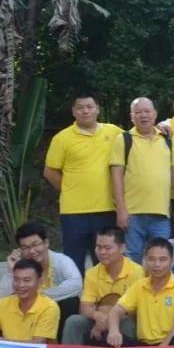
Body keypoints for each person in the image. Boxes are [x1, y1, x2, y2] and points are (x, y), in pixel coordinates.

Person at [43, 91, 122, 274]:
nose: (85, 111)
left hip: (106, 209)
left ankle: (102, 294)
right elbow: (50, 171)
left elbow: (138, 137)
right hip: (73, 212)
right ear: (73, 111)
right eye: (80, 108)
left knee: (105, 262)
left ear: (97, 109)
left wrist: (162, 127)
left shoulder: (114, 132)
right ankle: (75, 293)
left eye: (89, 107)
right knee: (73, 262)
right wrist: (69, 188)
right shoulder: (62, 138)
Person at [110, 97, 174, 262]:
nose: (143, 115)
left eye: (147, 111)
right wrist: (121, 209)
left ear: (155, 114)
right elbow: (116, 174)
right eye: (138, 112)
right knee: (131, 258)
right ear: (132, 116)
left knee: (161, 258)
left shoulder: (167, 139)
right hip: (132, 213)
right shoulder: (124, 139)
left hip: (161, 213)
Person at [61, 227, 145, 346]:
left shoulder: (137, 271)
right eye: (99, 247)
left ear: (122, 248)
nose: (102, 252)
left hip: (124, 319)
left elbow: (132, 310)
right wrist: (97, 316)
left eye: (107, 248)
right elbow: (85, 307)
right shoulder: (92, 273)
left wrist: (107, 320)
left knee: (126, 322)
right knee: (74, 321)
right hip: (99, 320)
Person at [103, 238, 174, 347]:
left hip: (169, 343)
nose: (157, 264)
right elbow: (116, 311)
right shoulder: (139, 285)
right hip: (143, 345)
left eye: (162, 259)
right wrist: (114, 331)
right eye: (151, 259)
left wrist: (164, 344)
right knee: (108, 336)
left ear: (172, 261)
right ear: (145, 261)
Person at [0, 221, 82, 335]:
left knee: (70, 303)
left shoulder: (61, 261)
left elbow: (76, 284)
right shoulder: (21, 265)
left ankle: (62, 345)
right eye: (25, 247)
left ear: (46, 243)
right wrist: (11, 272)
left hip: (54, 311)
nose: (32, 251)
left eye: (35, 245)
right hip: (26, 313)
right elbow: (1, 300)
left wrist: (38, 296)